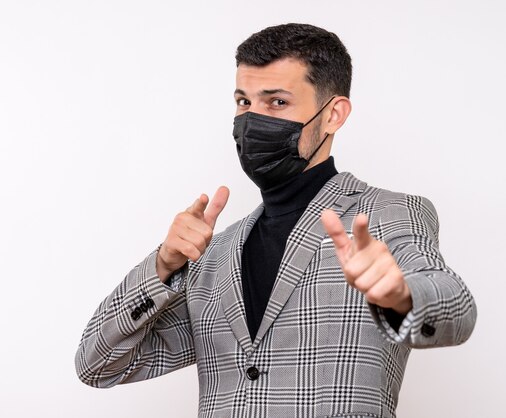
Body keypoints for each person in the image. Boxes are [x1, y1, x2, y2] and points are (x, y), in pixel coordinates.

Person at [75, 23, 476, 418]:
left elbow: (456, 311)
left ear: (334, 113)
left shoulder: (388, 215)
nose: (251, 121)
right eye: (243, 102)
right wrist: (162, 265)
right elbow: (98, 365)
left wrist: (400, 296)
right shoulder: (213, 255)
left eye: (277, 102)